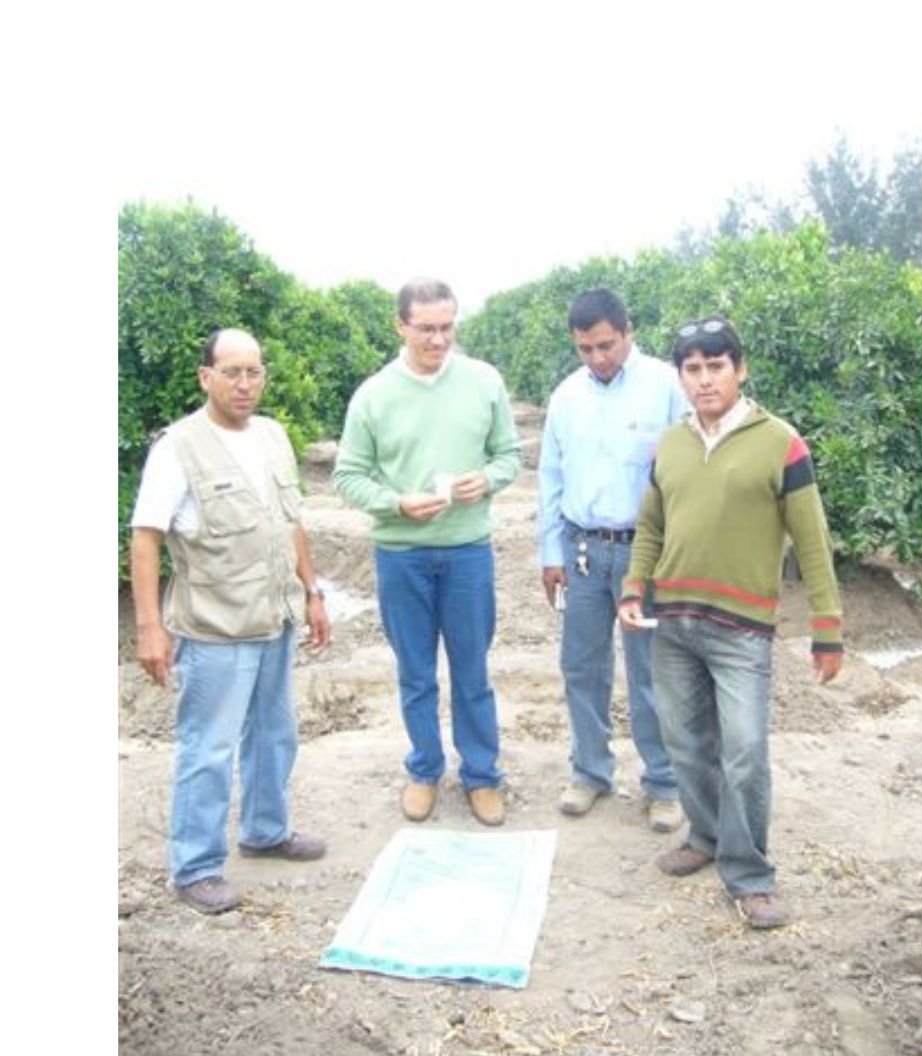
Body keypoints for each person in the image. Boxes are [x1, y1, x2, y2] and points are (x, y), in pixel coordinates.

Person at [617, 316, 844, 931]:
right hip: (673, 622)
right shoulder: (671, 443)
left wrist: (829, 625)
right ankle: (707, 835)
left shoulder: (780, 442)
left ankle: (750, 875)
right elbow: (651, 528)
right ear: (681, 377)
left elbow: (812, 541)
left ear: (740, 370)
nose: (704, 379)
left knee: (744, 752)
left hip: (742, 629)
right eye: (692, 368)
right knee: (686, 742)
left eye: (716, 366)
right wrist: (636, 585)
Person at [129, 328, 331, 915]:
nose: (246, 384)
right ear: (206, 377)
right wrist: (149, 627)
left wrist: (312, 592)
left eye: (255, 372)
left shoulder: (271, 437)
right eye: (233, 372)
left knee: (276, 732)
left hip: (276, 617)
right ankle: (195, 868)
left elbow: (290, 522)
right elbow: (146, 538)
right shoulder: (179, 447)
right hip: (215, 628)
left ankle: (266, 831)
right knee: (208, 747)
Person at [334, 279, 522, 827]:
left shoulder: (484, 382)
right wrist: (396, 502)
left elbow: (508, 455)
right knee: (415, 673)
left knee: (472, 670)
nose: (439, 340)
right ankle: (424, 770)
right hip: (402, 556)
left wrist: (484, 482)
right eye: (427, 329)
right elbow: (348, 476)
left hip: (467, 552)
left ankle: (482, 776)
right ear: (401, 326)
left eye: (447, 327)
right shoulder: (373, 395)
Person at [537, 288, 689, 831]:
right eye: (585, 349)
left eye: (606, 345)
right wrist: (549, 552)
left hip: (643, 552)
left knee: (651, 671)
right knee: (581, 665)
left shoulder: (667, 387)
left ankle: (664, 783)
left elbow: (689, 472)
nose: (598, 358)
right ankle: (591, 772)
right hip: (581, 552)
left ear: (628, 331)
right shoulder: (566, 397)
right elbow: (550, 478)